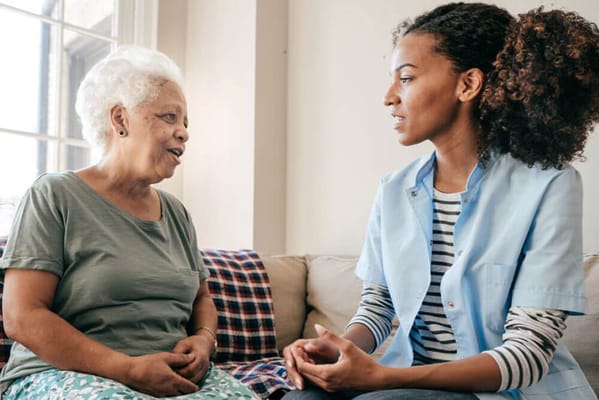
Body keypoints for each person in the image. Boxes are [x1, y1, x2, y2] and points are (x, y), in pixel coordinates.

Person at [283, 3, 599, 400]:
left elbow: (528, 355)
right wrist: (342, 348)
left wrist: (383, 379)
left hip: (501, 393)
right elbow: (378, 306)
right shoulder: (394, 189)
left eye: (407, 78)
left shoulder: (549, 185)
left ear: (468, 85)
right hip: (406, 385)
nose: (389, 97)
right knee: (299, 397)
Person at [0, 45, 258, 399]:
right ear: (120, 119)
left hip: (170, 377)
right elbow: (22, 317)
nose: (183, 132)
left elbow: (202, 299)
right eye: (169, 117)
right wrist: (129, 369)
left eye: (185, 122)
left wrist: (202, 340)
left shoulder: (177, 213)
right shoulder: (54, 195)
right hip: (64, 374)